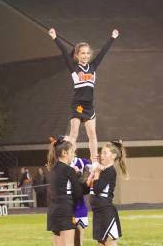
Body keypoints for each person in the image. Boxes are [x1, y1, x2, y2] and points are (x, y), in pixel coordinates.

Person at [46, 28, 119, 165]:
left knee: (93, 134)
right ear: (77, 55)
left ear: (90, 55)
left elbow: (103, 52)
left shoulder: (93, 67)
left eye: (87, 53)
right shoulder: (74, 67)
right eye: (82, 53)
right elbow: (63, 52)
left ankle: (95, 162)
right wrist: (55, 37)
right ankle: (69, 160)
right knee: (74, 133)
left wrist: (112, 38)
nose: (85, 56)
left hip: (89, 106)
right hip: (78, 105)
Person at [88, 141, 127, 246]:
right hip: (98, 213)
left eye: (105, 153)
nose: (101, 155)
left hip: (106, 213)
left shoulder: (110, 171)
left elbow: (97, 189)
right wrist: (95, 171)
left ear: (114, 156)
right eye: (101, 152)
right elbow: (89, 186)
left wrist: (97, 171)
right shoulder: (104, 170)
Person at [67, 156, 93, 246]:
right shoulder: (58, 164)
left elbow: (93, 167)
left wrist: (83, 174)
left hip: (78, 209)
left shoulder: (80, 162)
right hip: (64, 209)